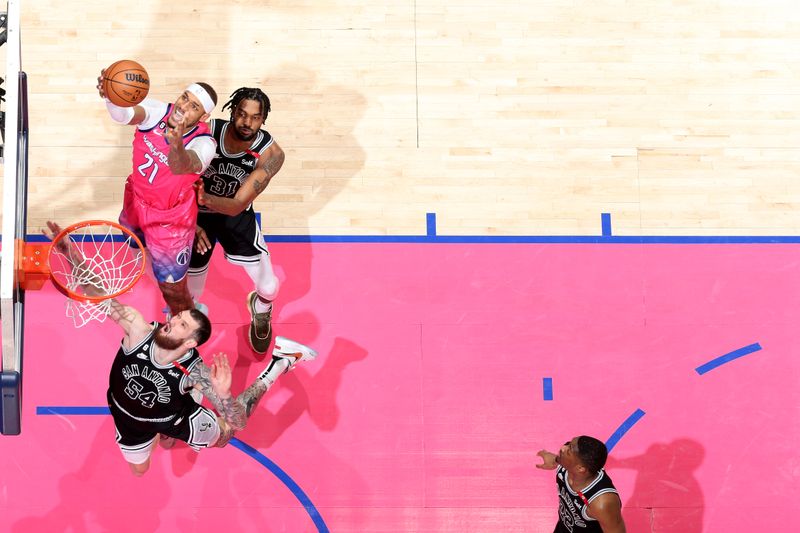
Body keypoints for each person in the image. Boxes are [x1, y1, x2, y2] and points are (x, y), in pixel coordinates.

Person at [44, 221, 318, 476]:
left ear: (190, 343)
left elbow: (236, 422)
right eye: (176, 318)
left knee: (223, 436)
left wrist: (222, 395)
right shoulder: (139, 330)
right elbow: (99, 294)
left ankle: (278, 363)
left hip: (172, 418)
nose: (171, 321)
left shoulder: (196, 371)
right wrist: (71, 254)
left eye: (181, 325)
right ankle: (173, 422)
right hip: (126, 415)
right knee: (140, 471)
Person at [97, 71, 219, 315]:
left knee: (172, 289)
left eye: (194, 106)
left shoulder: (205, 143)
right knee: (135, 245)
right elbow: (126, 115)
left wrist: (176, 145)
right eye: (185, 97)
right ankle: (166, 282)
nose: (184, 107)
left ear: (203, 116)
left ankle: (187, 316)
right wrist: (111, 97)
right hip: (137, 199)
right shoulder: (157, 110)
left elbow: (185, 165)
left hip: (170, 219)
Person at [187, 87, 286, 353]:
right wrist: (190, 221)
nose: (246, 122)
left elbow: (237, 205)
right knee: (190, 296)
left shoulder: (271, 155)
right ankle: (185, 331)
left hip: (234, 215)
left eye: (255, 117)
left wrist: (205, 198)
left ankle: (261, 308)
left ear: (264, 119)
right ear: (232, 112)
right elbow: (172, 174)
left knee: (269, 286)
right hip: (195, 217)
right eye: (241, 114)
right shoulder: (206, 132)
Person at [536, 436, 626, 533]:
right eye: (569, 443)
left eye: (569, 450)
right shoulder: (566, 467)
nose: (563, 447)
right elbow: (557, 460)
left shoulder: (601, 503)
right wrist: (555, 459)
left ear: (580, 469)